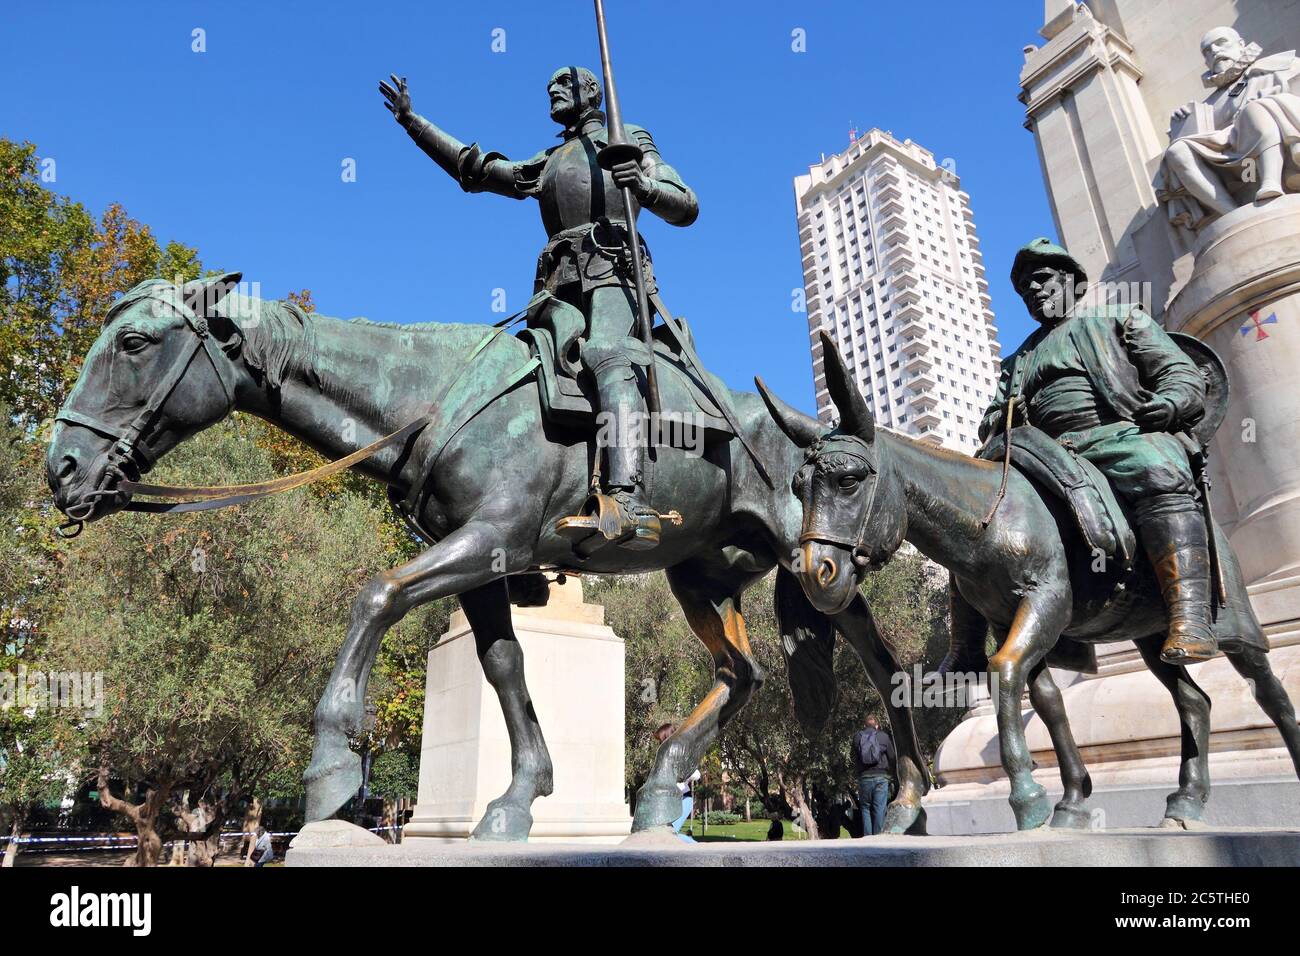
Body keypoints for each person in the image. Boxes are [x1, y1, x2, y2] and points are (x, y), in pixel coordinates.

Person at [379, 67, 698, 550]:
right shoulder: (549, 160)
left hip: (614, 278)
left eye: (563, 85)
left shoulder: (629, 138)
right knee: (509, 375)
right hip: (557, 291)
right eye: (549, 86)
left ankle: (627, 502)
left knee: (608, 354)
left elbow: (686, 205)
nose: (551, 91)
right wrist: (413, 123)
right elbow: (478, 169)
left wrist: (644, 185)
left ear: (591, 92)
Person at [977, 239, 1214, 665]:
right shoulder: (1017, 361)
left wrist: (1170, 403)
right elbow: (991, 415)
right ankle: (969, 646)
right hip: (1044, 455)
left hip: (1116, 435)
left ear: (1071, 281)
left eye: (1042, 278)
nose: (1033, 289)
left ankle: (1190, 613)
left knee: (1157, 467)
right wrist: (1002, 418)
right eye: (1024, 286)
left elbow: (1179, 371)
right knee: (979, 514)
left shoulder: (1118, 317)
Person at [1157, 26, 1300, 226]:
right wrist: (1182, 123)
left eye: (1220, 43)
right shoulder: (1210, 103)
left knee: (1254, 109)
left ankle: (1271, 182)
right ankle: (1232, 214)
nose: (1214, 51)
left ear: (1240, 44)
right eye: (1207, 51)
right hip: (1232, 159)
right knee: (1177, 151)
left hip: (1262, 138)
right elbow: (1203, 137)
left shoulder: (1278, 66)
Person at [653, 722, 698, 842]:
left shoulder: (681, 755)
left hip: (683, 800)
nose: (659, 743)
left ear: (667, 737)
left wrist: (683, 776)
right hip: (670, 802)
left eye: (661, 740)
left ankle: (698, 848)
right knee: (666, 835)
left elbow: (696, 774)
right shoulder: (665, 757)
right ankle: (696, 846)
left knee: (670, 834)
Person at [851, 716, 895, 835]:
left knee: (865, 808)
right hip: (881, 778)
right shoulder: (883, 736)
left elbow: (853, 757)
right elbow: (892, 756)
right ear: (876, 726)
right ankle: (878, 839)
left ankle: (867, 839)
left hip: (864, 778)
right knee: (879, 809)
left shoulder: (857, 737)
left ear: (864, 726)